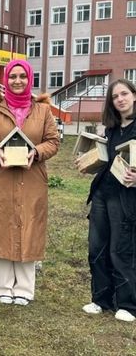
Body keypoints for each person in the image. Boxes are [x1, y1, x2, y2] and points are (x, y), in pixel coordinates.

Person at [0, 59, 60, 306]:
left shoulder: (42, 111)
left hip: (31, 177)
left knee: (28, 225)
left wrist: (37, 152)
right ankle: (2, 285)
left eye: (22, 76)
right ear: (6, 80)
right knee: (1, 225)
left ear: (29, 79)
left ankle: (24, 286)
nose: (18, 81)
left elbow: (53, 141)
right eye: (13, 77)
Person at [75, 79, 136, 321]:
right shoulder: (110, 128)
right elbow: (106, 160)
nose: (120, 99)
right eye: (115, 96)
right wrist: (88, 161)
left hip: (126, 197)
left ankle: (128, 304)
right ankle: (101, 299)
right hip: (103, 193)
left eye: (124, 94)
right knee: (97, 248)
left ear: (134, 95)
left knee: (121, 249)